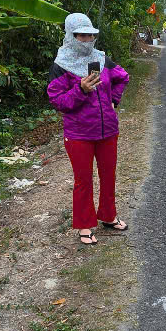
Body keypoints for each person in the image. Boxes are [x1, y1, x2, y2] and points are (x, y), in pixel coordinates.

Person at [47, 13, 130, 245]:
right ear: (71, 36)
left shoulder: (102, 59)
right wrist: (81, 90)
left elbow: (123, 77)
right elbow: (57, 101)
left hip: (107, 131)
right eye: (81, 36)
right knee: (83, 180)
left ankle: (108, 216)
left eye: (90, 35)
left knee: (108, 176)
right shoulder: (61, 65)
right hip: (79, 134)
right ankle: (84, 224)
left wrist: (114, 99)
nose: (86, 40)